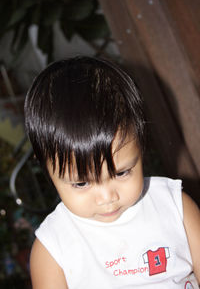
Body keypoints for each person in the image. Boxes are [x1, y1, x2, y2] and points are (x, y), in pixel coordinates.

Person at [24, 56, 200, 289]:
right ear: (46, 167)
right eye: (81, 184)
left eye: (121, 173)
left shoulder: (176, 207)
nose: (107, 197)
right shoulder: (53, 249)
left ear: (140, 145)